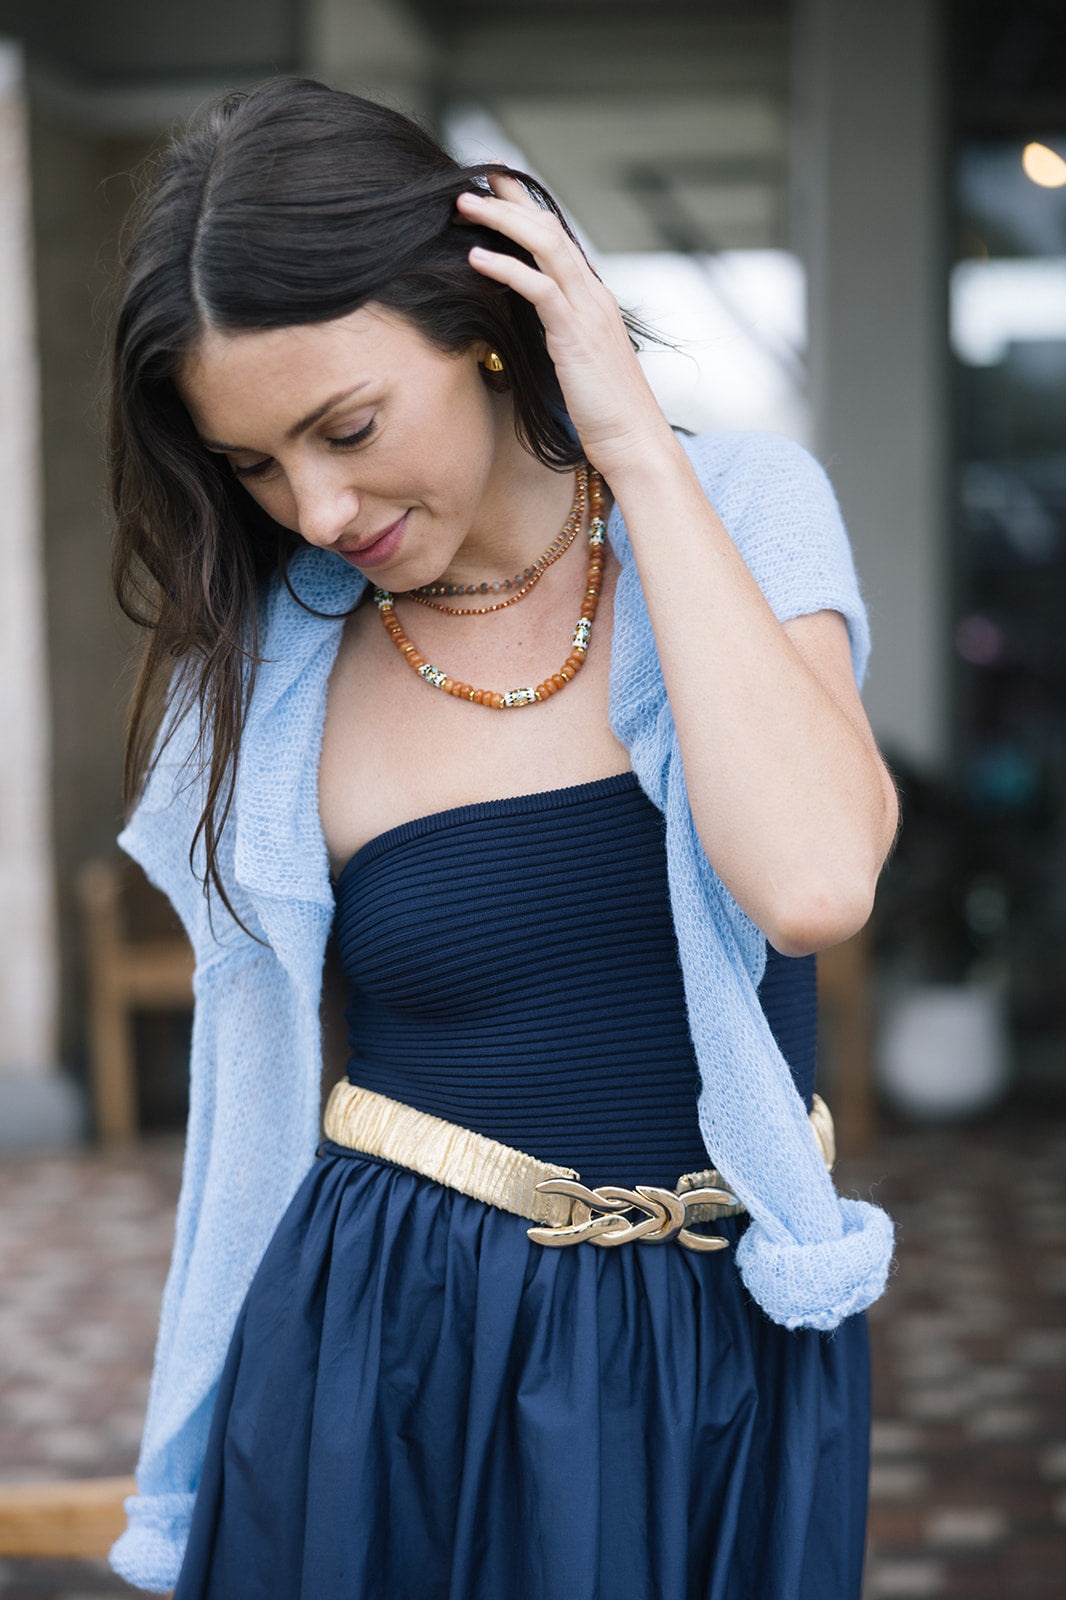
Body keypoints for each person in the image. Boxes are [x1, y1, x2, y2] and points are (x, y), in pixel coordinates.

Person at [106, 78, 897, 1600]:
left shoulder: (739, 508)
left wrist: (634, 449)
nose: (318, 507)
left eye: (345, 428)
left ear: (485, 323)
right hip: (405, 1346)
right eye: (257, 468)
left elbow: (810, 882)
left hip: (745, 1325)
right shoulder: (274, 667)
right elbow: (247, 1112)